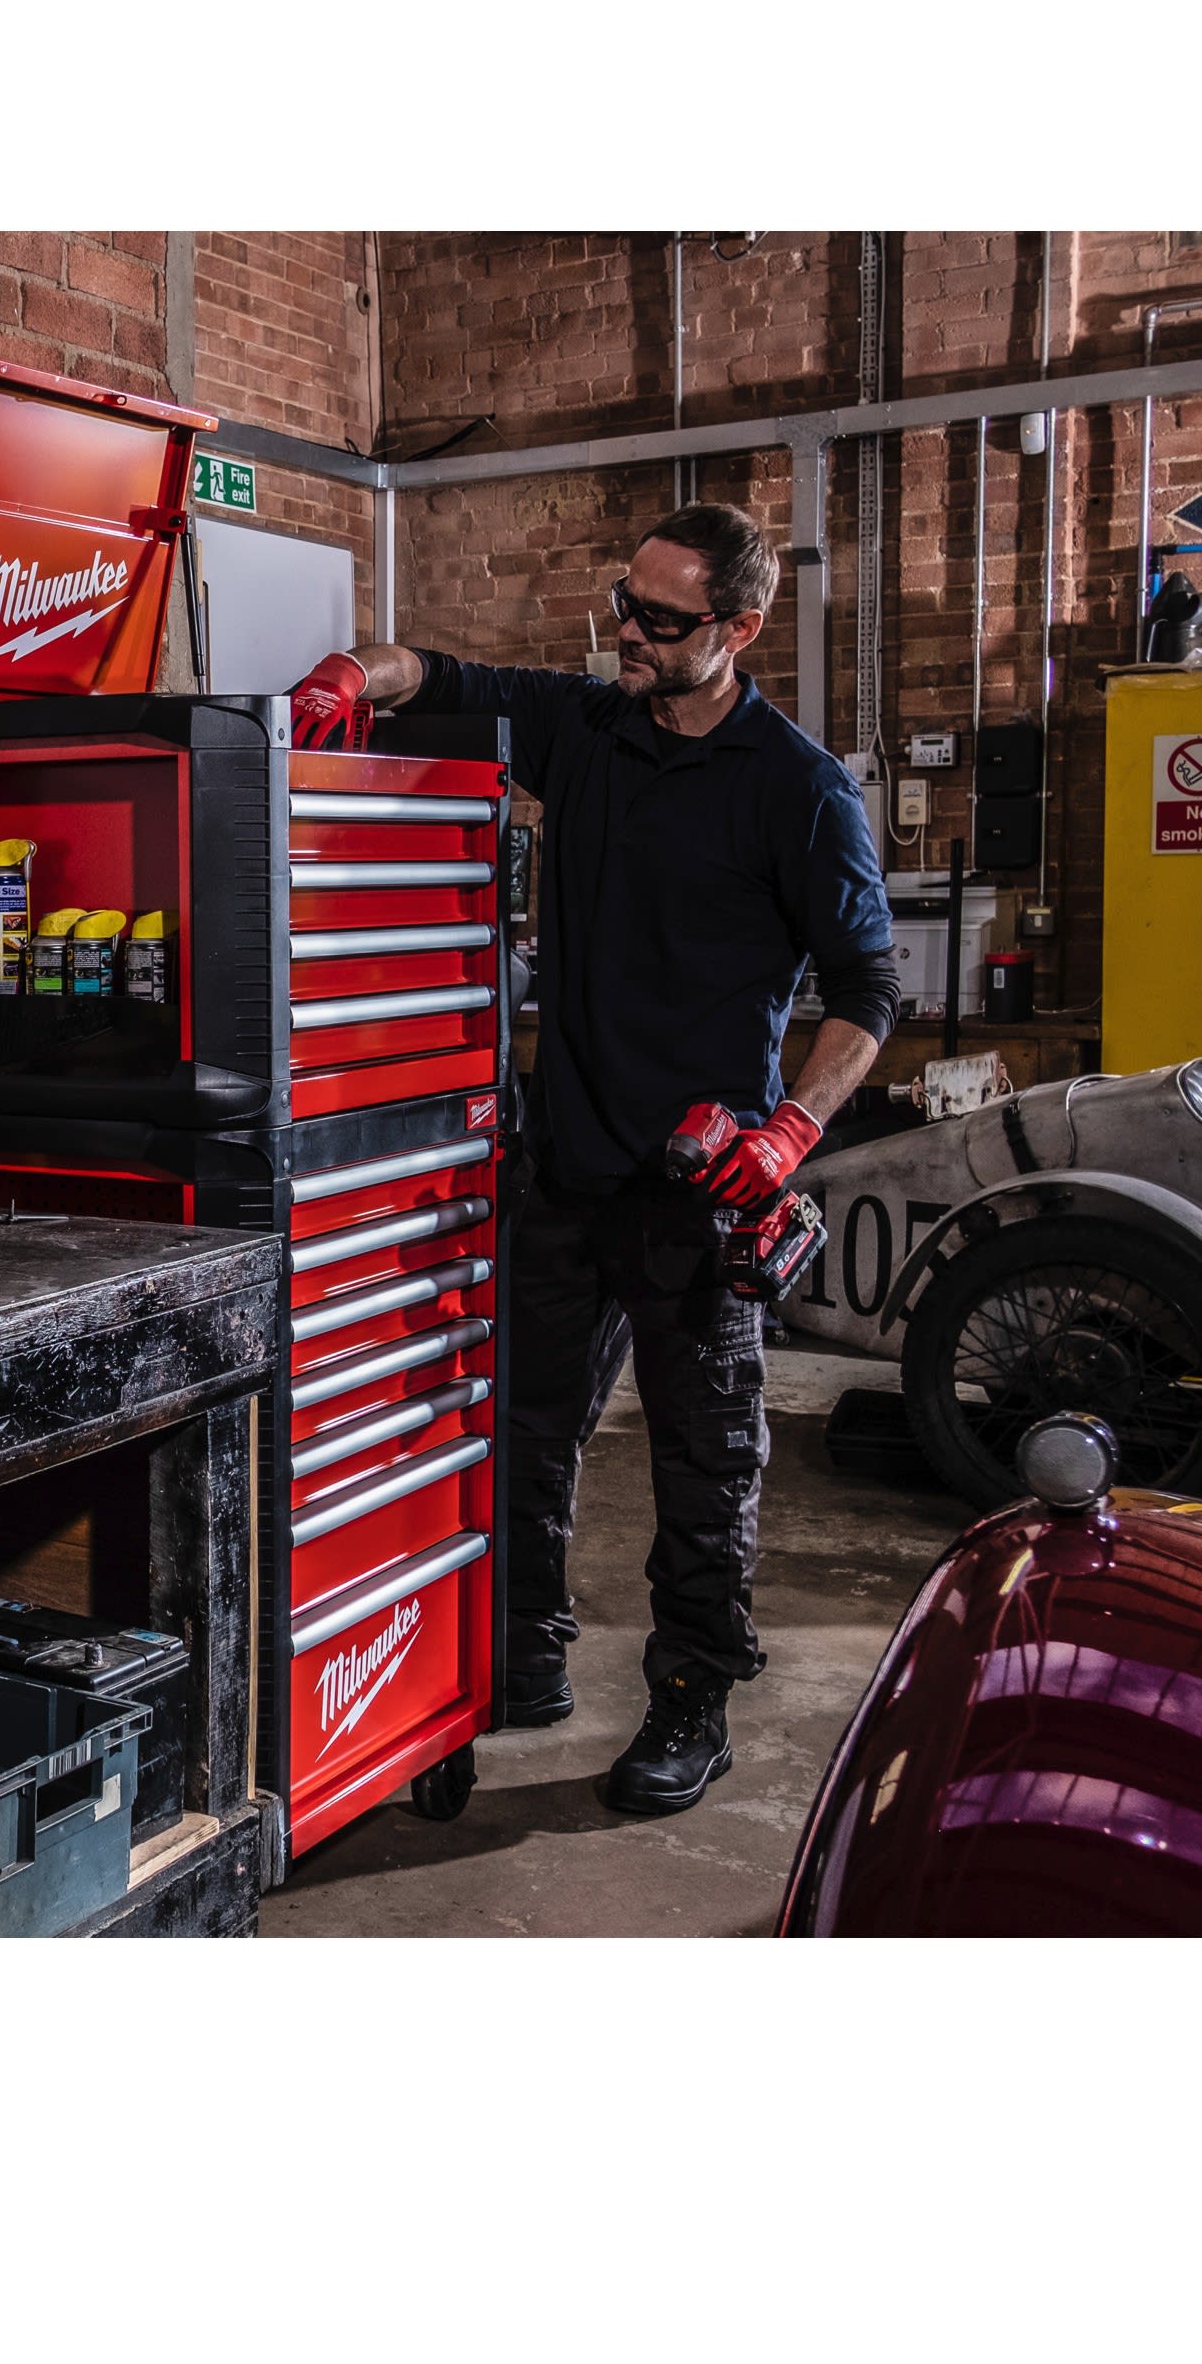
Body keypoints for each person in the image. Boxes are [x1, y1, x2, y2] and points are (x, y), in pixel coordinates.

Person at [293, 504, 897, 1814]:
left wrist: (791, 1129)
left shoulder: (797, 788)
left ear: (739, 629)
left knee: (703, 1465)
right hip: (562, 1175)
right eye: (624, 603)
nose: (629, 631)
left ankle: (692, 1701)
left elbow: (869, 992)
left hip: (697, 1196)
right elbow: (433, 674)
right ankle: (522, 1661)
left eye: (662, 620)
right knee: (520, 1437)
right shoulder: (585, 726)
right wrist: (348, 675)